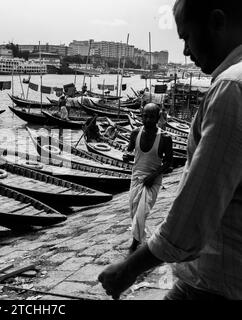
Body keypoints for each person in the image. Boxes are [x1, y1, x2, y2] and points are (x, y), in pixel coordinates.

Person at [99, 0, 242, 300]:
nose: (186, 51)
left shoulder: (231, 88)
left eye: (187, 37)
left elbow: (192, 216)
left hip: (215, 283)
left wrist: (129, 269)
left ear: (217, 22)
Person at [123, 104, 173, 254]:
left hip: (153, 180)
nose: (148, 119)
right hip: (136, 177)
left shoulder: (165, 138)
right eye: (145, 116)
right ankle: (141, 237)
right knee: (133, 211)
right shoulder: (135, 133)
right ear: (141, 116)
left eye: (151, 116)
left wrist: (153, 176)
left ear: (158, 118)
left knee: (141, 212)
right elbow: (130, 149)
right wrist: (126, 154)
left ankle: (135, 244)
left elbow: (169, 162)